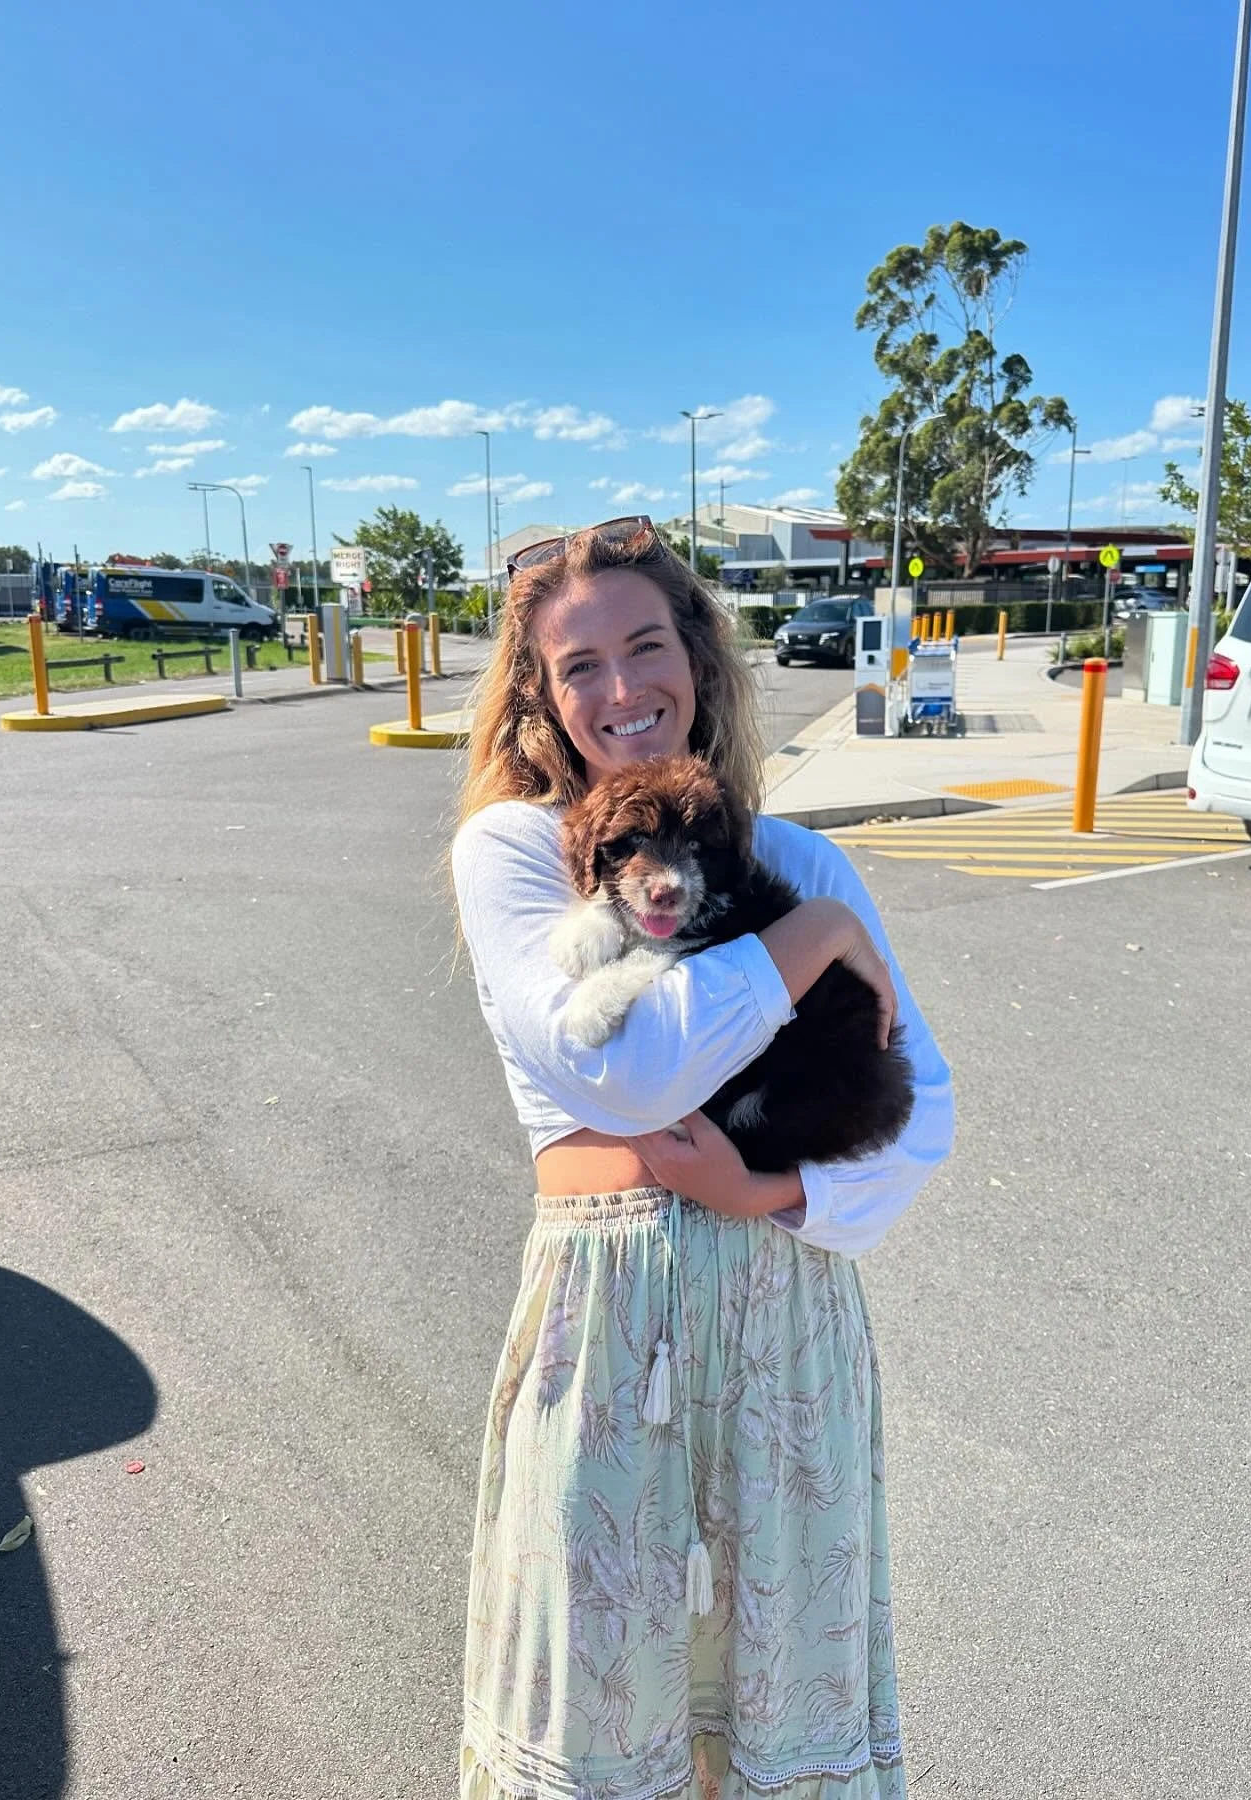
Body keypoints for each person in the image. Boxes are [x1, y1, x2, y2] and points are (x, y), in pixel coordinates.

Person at [451, 516, 954, 1799]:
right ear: (541, 697)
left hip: (787, 1305)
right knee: (602, 1689)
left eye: (646, 647)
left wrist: (767, 1189)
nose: (621, 689)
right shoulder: (517, 852)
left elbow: (925, 1108)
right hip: (608, 1312)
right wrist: (812, 940)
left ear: (697, 658)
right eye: (579, 666)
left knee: (786, 1676)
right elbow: (626, 1069)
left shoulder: (799, 860)